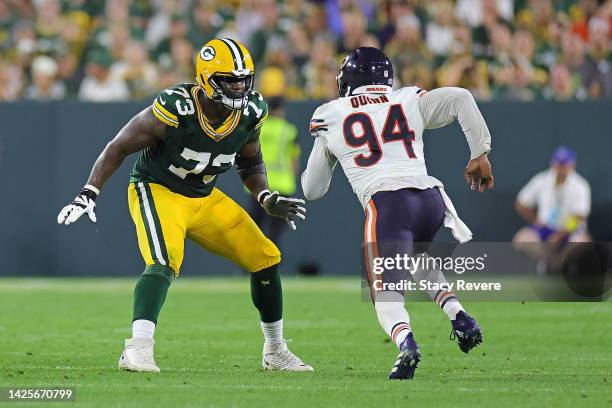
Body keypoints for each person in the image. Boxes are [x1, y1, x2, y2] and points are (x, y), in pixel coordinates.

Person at [57, 38, 312, 373]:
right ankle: (137, 348)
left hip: (204, 197)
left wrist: (264, 196)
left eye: (243, 79)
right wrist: (89, 191)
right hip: (158, 189)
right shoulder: (177, 106)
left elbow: (250, 163)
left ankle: (275, 350)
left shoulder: (251, 112)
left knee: (265, 259)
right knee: (163, 262)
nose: (238, 87)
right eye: (229, 80)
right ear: (207, 79)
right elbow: (118, 146)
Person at [301, 47, 493, 380]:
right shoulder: (408, 98)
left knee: (385, 294)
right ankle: (459, 315)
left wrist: (327, 147)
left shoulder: (331, 113)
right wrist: (480, 152)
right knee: (417, 257)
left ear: (346, 80)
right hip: (430, 199)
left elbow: (312, 190)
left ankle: (406, 344)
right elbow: (462, 97)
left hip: (388, 203)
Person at [248, 95, 300, 246]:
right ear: (282, 109)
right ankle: (271, 264)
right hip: (283, 185)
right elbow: (294, 161)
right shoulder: (289, 130)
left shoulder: (259, 129)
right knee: (276, 230)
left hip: (259, 185)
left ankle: (248, 265)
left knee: (254, 227)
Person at [513, 146, 591, 246]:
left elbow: (579, 217)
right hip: (546, 228)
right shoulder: (542, 180)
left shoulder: (581, 186)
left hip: (570, 230)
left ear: (572, 165)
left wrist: (559, 235)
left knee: (580, 243)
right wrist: (536, 220)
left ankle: (563, 261)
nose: (561, 168)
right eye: (559, 164)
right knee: (522, 239)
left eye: (565, 164)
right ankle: (546, 260)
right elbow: (521, 203)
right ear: (553, 164)